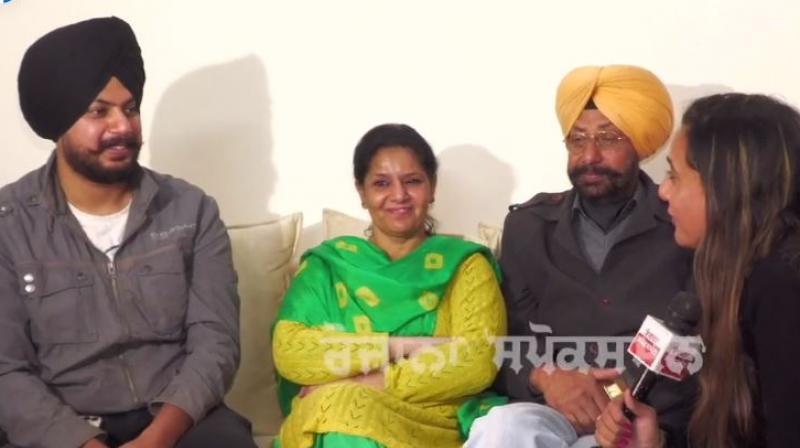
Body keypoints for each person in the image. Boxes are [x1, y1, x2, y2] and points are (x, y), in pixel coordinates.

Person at [0, 17, 256, 448]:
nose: (122, 126)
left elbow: (216, 344)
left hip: (173, 418)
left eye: (130, 109)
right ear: (60, 123)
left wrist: (155, 440)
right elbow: (6, 370)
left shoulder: (191, 210)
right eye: (98, 111)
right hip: (61, 426)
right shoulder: (9, 225)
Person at [465, 65, 696, 448]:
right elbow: (505, 343)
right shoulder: (529, 227)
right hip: (554, 410)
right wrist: (546, 378)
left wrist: (625, 393)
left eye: (608, 138)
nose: (589, 155)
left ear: (639, 143)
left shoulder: (681, 224)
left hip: (644, 417)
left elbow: (706, 345)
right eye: (577, 140)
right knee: (502, 428)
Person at [272, 123, 507, 448]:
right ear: (362, 192)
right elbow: (290, 352)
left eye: (412, 181)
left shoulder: (466, 265)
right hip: (330, 413)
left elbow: (478, 359)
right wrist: (402, 346)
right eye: (381, 183)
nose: (399, 195)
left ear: (432, 186)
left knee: (340, 408)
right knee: (339, 416)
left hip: (431, 421)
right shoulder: (328, 266)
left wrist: (370, 382)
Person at [596, 93, 800, 448]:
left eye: (674, 176)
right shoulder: (731, 275)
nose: (663, 191)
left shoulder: (783, 287)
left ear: (726, 187)